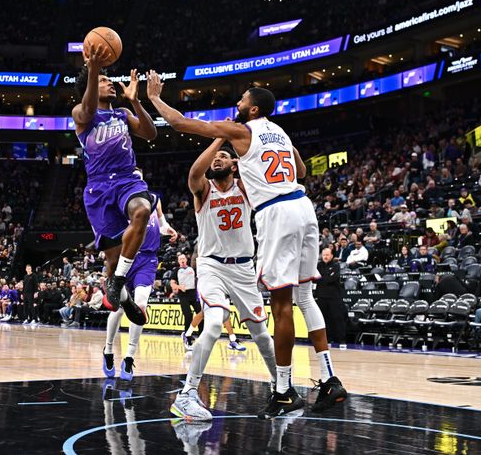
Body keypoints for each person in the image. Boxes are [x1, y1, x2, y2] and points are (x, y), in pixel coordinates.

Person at [147, 76, 346, 418]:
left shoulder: (242, 131)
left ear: (252, 108)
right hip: (303, 206)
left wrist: (154, 98)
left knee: (282, 305)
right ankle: (329, 379)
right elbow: (298, 169)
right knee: (305, 297)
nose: (236, 104)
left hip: (276, 215)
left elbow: (180, 122)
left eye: (240, 101)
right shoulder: (281, 133)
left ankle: (282, 391)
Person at [171, 141, 278, 421]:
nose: (216, 160)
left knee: (262, 335)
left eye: (223, 158)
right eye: (214, 158)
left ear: (234, 165)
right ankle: (187, 393)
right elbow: (195, 173)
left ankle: (281, 385)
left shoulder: (244, 187)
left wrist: (239, 158)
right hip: (212, 265)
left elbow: (259, 172)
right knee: (215, 321)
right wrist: (218, 139)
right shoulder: (203, 190)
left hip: (243, 268)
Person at [73, 47, 157, 326]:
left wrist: (135, 102)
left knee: (142, 211)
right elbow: (86, 109)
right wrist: (93, 69)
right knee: (110, 260)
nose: (110, 83)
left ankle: (119, 280)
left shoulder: (121, 113)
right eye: (103, 81)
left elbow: (150, 133)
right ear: (91, 86)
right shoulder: (81, 114)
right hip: (98, 188)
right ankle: (119, 291)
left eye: (109, 80)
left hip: (127, 179)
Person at [104, 191, 176, 381]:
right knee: (118, 309)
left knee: (140, 306)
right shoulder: (120, 200)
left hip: (147, 259)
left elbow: (161, 223)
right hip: (126, 258)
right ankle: (109, 349)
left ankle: (129, 357)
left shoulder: (154, 198)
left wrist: (167, 229)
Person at [315, 248, 346, 346]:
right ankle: (327, 339)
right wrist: (324, 277)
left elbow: (332, 278)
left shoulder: (336, 266)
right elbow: (315, 278)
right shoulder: (318, 266)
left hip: (334, 297)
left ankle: (341, 340)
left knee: (337, 318)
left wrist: (322, 278)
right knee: (323, 319)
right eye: (324, 255)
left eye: (327, 255)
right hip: (321, 296)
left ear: (332, 256)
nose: (325, 257)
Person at [171, 253, 199, 339]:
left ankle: (201, 333)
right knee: (188, 315)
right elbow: (172, 284)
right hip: (183, 295)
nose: (182, 260)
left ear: (186, 260)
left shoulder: (192, 269)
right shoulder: (176, 270)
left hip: (193, 294)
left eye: (183, 258)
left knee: (200, 313)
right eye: (180, 259)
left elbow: (197, 279)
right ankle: (187, 335)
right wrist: (179, 287)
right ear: (178, 261)